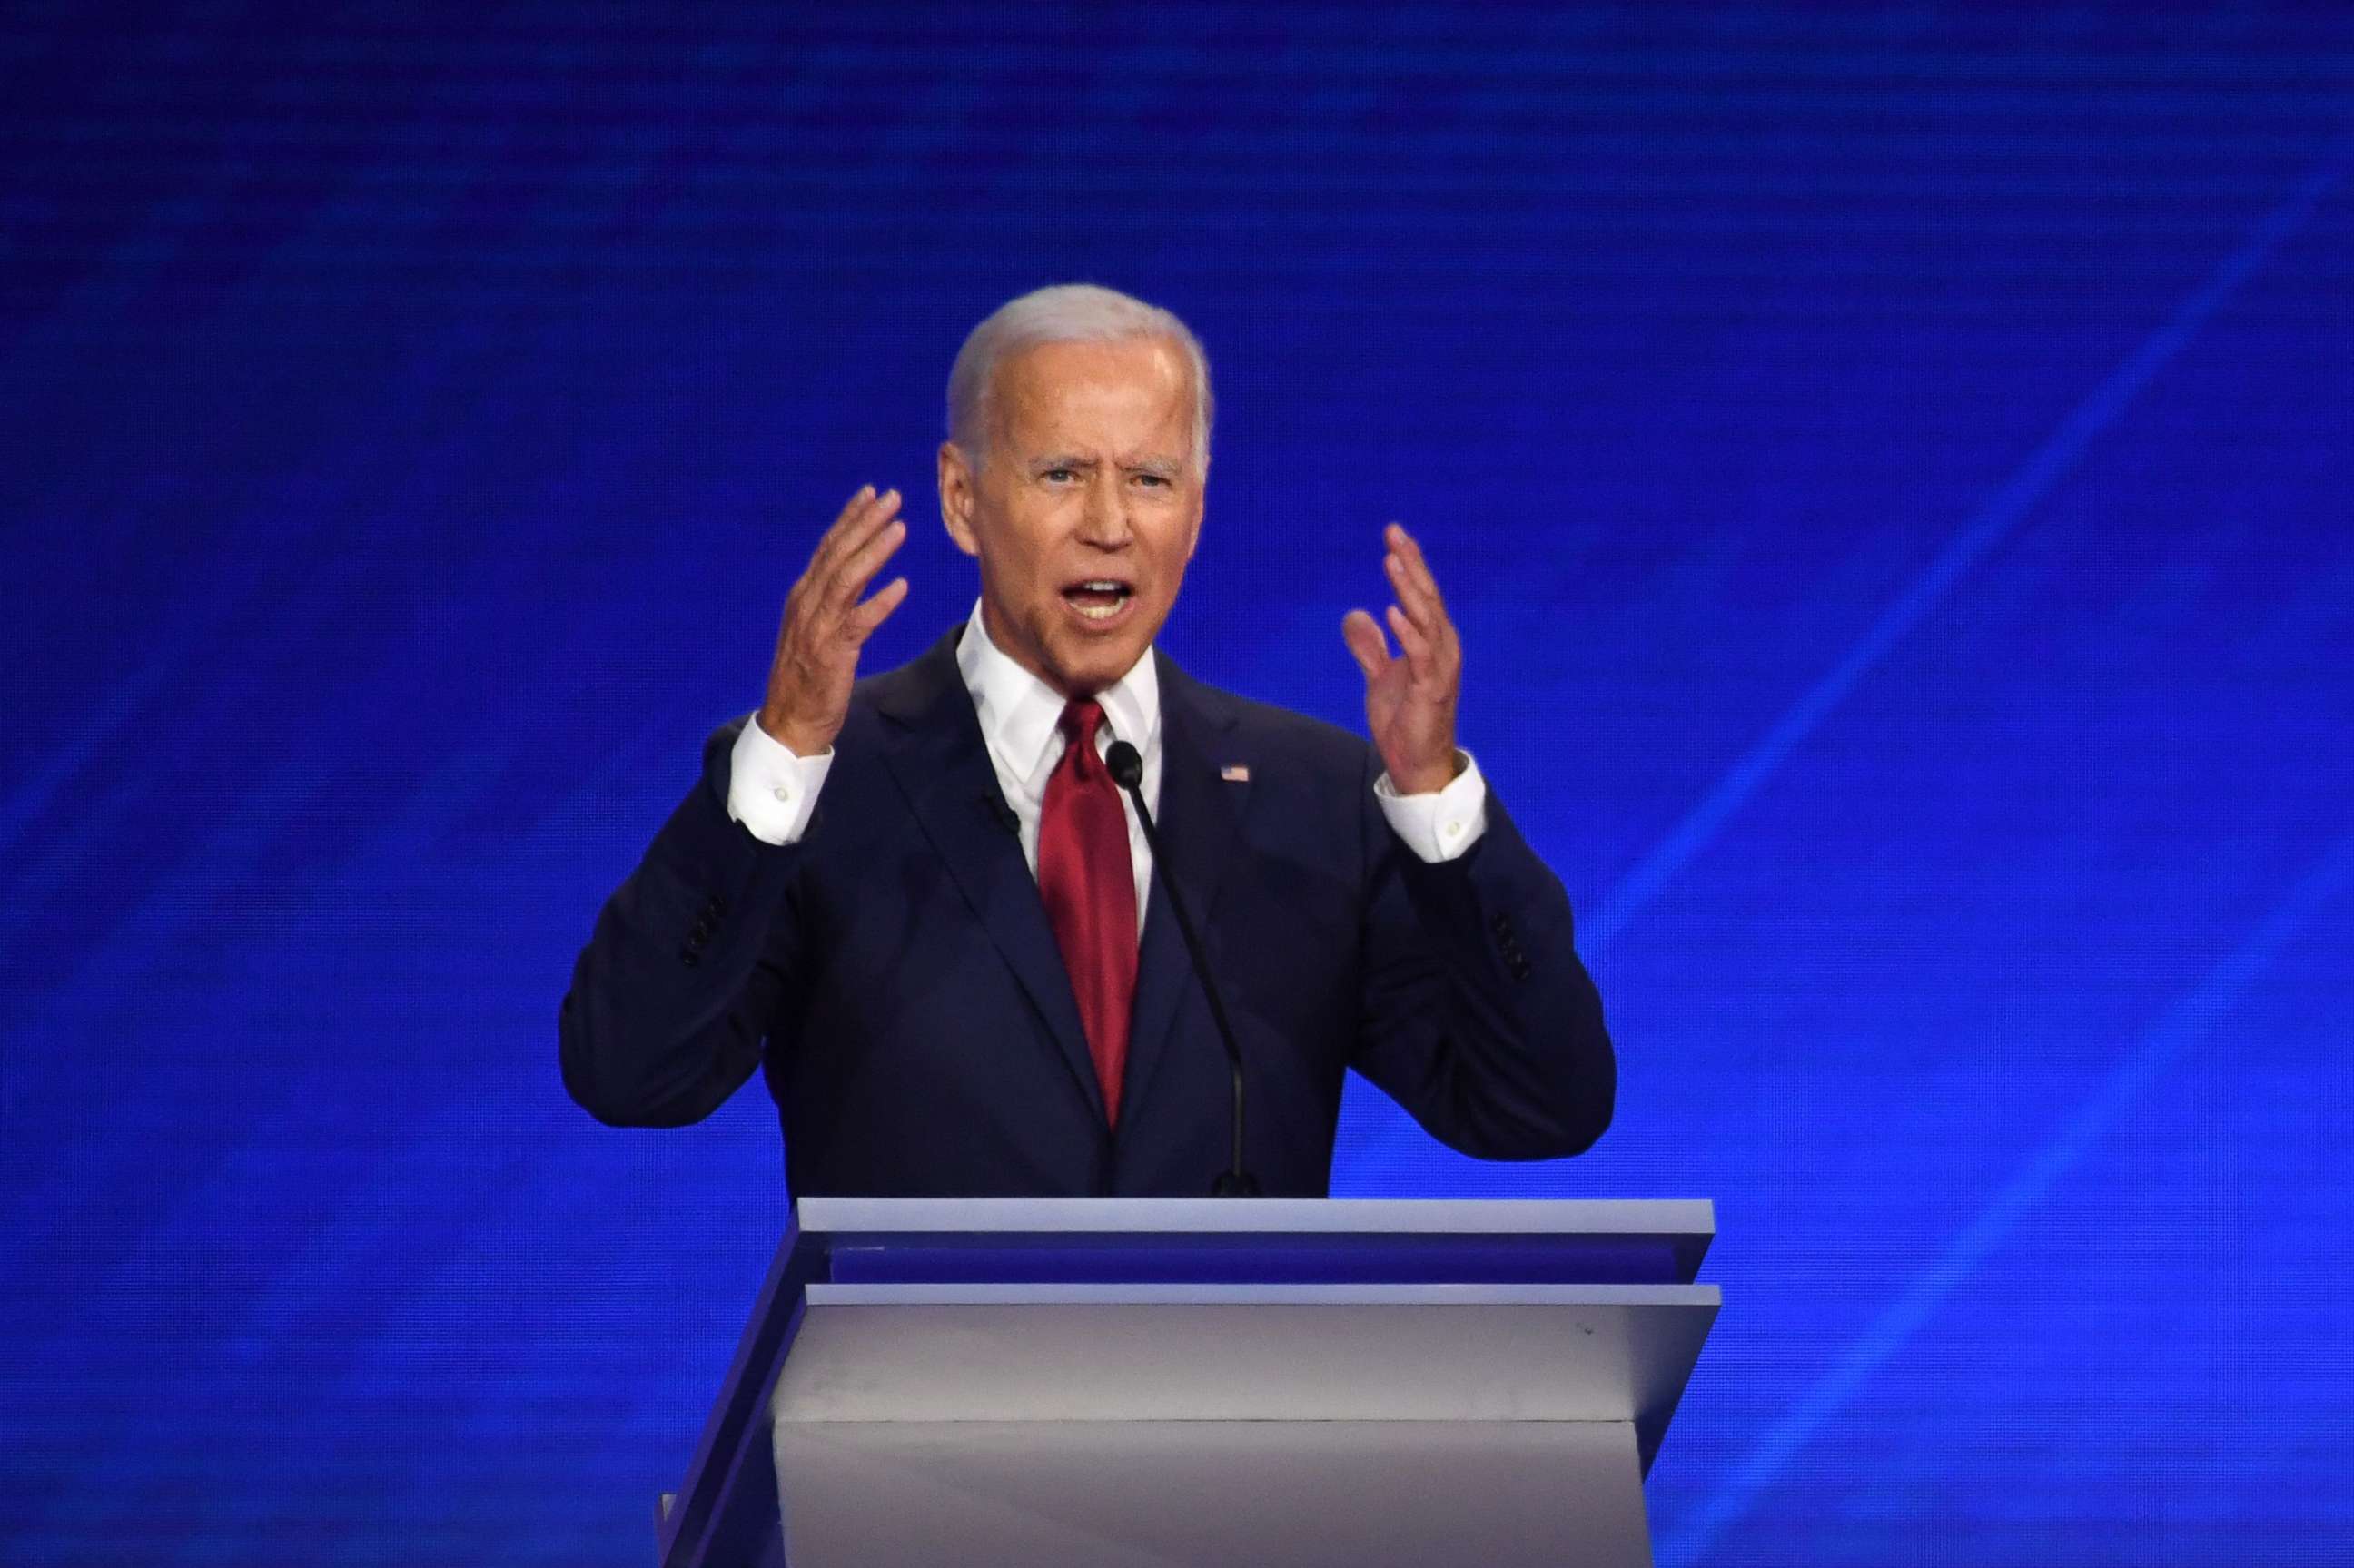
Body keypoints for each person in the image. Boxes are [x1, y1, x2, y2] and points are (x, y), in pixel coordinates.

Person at [559, 283, 1613, 1197]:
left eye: (1150, 479)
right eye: (1062, 472)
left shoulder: (1316, 798)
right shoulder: (822, 783)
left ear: (1195, 516)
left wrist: (1435, 801)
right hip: (923, 1419)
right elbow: (631, 1072)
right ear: (963, 499)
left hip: (1221, 1417)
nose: (1110, 522)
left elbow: (1538, 1107)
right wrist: (784, 749)